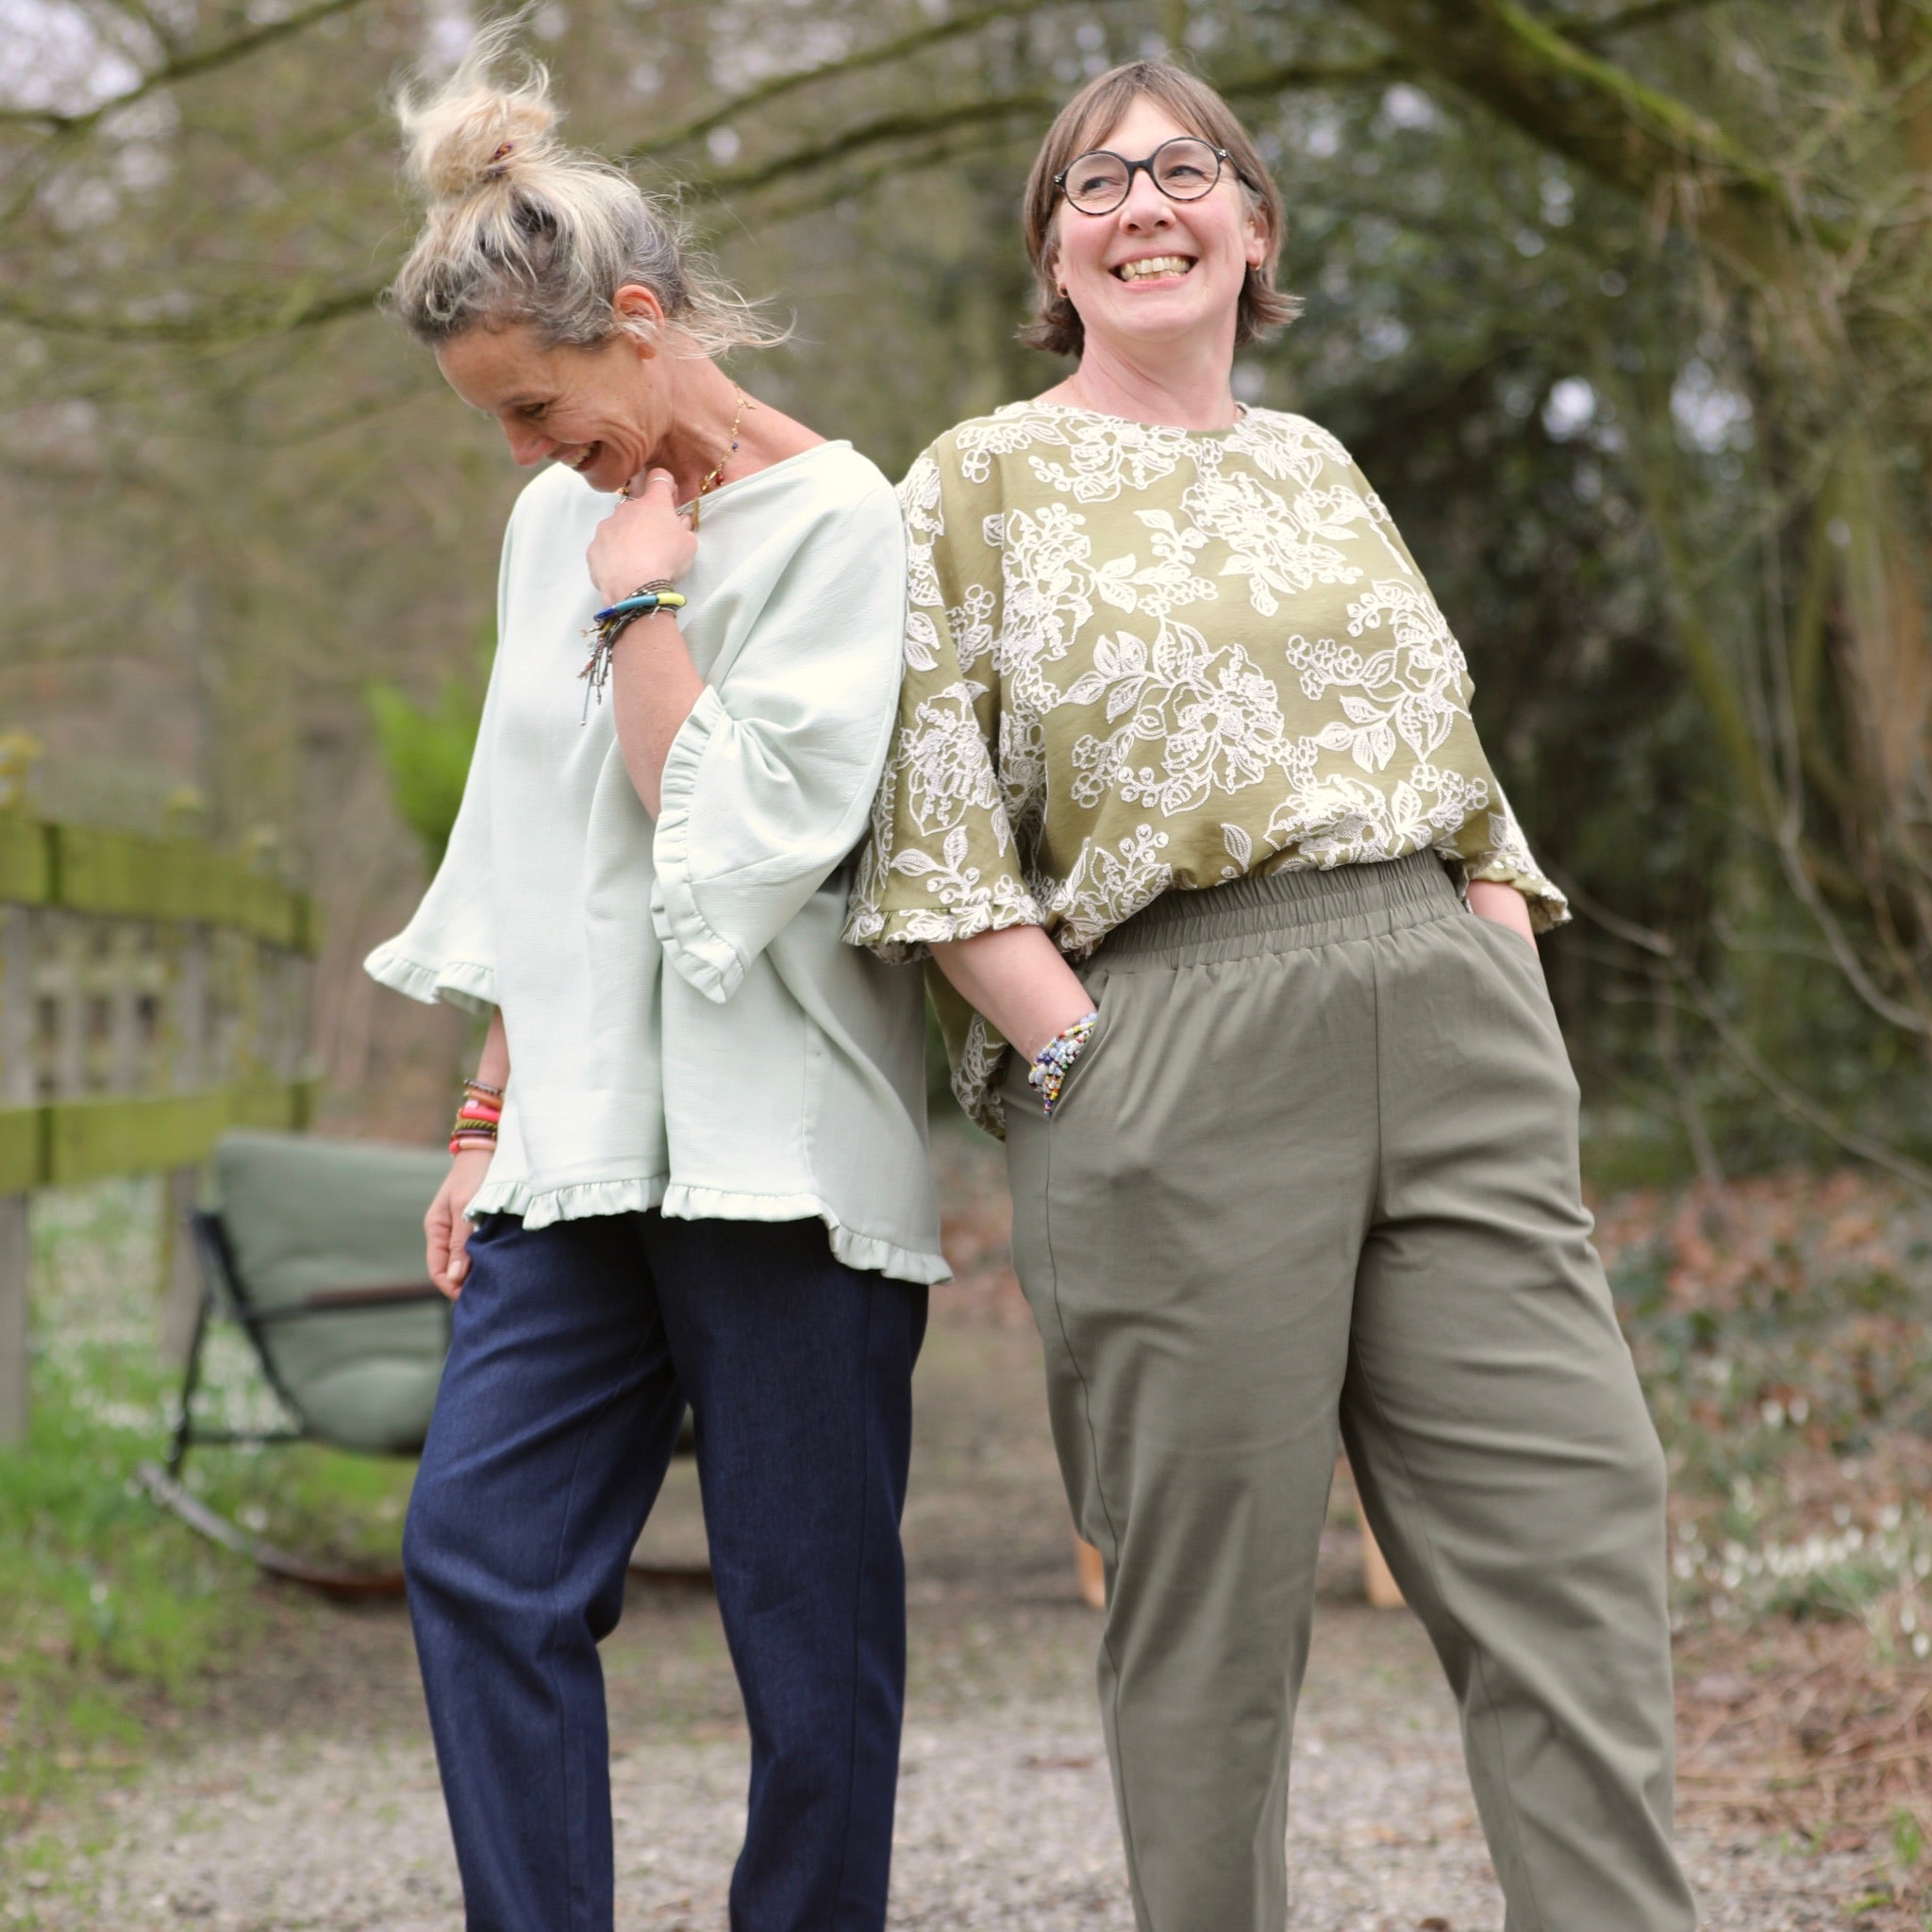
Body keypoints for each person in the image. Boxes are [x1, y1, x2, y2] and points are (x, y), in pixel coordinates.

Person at [847, 58, 1697, 1932]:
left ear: (1253, 224)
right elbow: (929, 830)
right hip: (1172, 1042)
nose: (1142, 206)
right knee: (1211, 1622)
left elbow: (1456, 761)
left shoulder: (1316, 465)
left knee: (1574, 1544)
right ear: (1052, 255)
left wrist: (1496, 954)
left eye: (1184, 169)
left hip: (1446, 1018)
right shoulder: (973, 481)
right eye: (1093, 184)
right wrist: (1081, 1050)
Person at [366, 30, 945, 1932]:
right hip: (578, 1149)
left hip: (785, 1159)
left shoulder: (845, 522)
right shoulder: (554, 519)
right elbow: (540, 848)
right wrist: (484, 1111)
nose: (526, 453)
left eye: (538, 406)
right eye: (498, 424)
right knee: (479, 1553)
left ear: (637, 322)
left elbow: (736, 845)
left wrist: (640, 605)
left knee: (807, 1634)